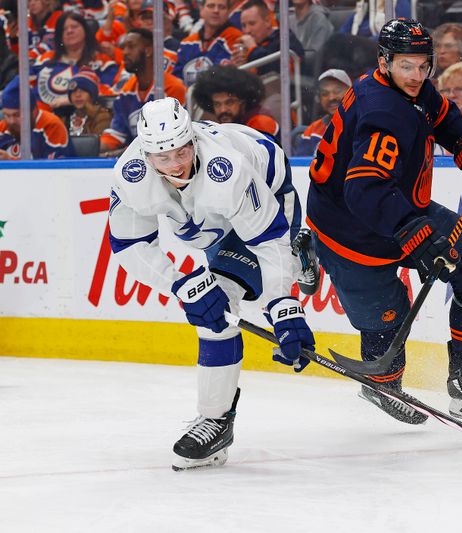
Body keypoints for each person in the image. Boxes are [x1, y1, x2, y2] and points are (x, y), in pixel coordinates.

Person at [306, 19, 462, 425]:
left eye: (423, 65)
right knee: (387, 315)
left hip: (395, 205)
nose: (418, 76)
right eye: (407, 66)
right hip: (348, 228)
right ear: (384, 62)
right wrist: (414, 232)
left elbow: (443, 116)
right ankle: (381, 383)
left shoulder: (407, 87)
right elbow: (363, 191)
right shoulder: (382, 111)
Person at [108, 97, 314, 470]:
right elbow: (128, 245)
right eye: (163, 157)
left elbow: (267, 239)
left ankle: (215, 420)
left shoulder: (227, 170)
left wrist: (283, 306)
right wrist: (182, 284)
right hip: (211, 223)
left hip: (267, 188)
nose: (176, 164)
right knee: (209, 291)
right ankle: (300, 259)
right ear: (147, 156)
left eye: (182, 151)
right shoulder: (131, 174)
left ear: (193, 141)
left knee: (224, 298)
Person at [100, 29, 187, 154]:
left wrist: (122, 152)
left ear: (148, 50)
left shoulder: (172, 88)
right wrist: (93, 148)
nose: (124, 52)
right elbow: (117, 134)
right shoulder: (126, 92)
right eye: (123, 47)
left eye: (131, 47)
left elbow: (169, 140)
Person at [192, 64, 280, 140]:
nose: (223, 110)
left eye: (229, 102)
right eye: (217, 104)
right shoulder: (229, 125)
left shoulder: (261, 122)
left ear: (244, 101)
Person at [0, 75, 70, 159]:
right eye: (7, 115)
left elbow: (55, 168)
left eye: (17, 115)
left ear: (34, 111)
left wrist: (10, 161)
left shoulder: (52, 126)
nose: (11, 121)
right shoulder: (3, 127)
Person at [174, 0, 242, 85]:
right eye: (211, 6)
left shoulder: (236, 37)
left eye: (222, 7)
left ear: (228, 12)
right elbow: (177, 78)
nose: (216, 11)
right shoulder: (187, 43)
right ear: (201, 10)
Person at [293, 68, 351, 156]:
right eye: (324, 94)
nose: (331, 98)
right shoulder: (312, 131)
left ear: (351, 93)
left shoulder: (365, 125)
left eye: (337, 91)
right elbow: (300, 165)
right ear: (319, 99)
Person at [65, 68, 113, 136]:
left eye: (83, 91)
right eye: (73, 91)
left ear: (92, 95)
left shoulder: (103, 117)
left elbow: (97, 145)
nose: (77, 95)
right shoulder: (65, 117)